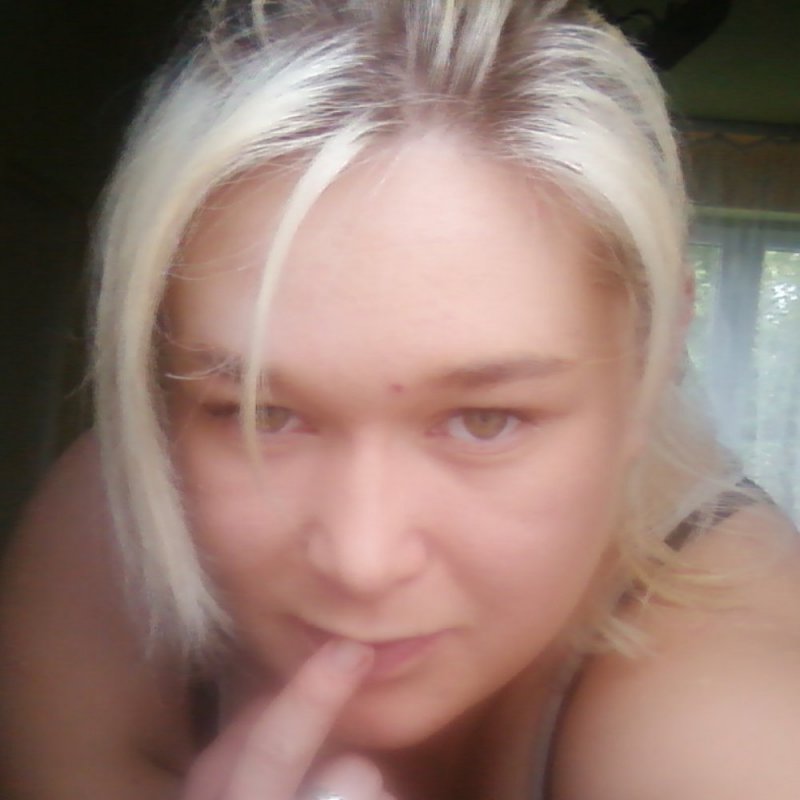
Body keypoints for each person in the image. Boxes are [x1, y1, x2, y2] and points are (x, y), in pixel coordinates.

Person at [2, 1, 800, 798]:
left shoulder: (727, 699)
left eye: (485, 421)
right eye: (258, 416)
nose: (363, 560)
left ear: (651, 363)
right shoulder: (110, 519)